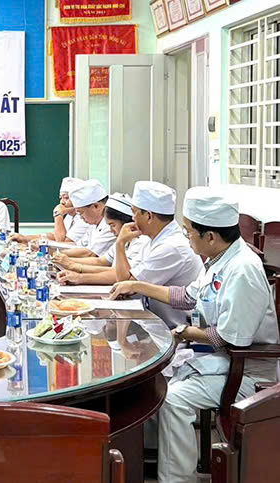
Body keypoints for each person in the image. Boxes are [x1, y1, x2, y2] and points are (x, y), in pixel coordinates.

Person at [110, 188, 279, 483]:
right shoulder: (219, 259)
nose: (186, 237)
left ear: (210, 236)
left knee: (173, 400)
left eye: (189, 232)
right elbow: (187, 297)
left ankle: (177, 478)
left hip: (245, 372)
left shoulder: (242, 270)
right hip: (218, 360)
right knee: (150, 383)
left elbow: (229, 339)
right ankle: (147, 460)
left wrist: (182, 333)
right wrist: (137, 286)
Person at [112, 181, 203, 328]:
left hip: (175, 329)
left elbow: (126, 284)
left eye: (134, 213)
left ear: (149, 216)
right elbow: (127, 280)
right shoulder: (153, 240)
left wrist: (120, 243)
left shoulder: (171, 247)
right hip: (153, 322)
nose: (132, 218)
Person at [55, 193, 149, 285]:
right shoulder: (122, 239)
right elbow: (102, 261)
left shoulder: (140, 242)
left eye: (113, 225)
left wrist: (77, 271)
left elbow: (120, 274)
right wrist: (70, 263)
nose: (111, 230)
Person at [11, 176, 92, 244]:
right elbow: (54, 236)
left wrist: (58, 215)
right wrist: (25, 238)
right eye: (61, 198)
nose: (62, 202)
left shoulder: (85, 218)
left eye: (66, 198)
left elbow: (61, 243)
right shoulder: (70, 216)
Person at [55, 179, 116, 258]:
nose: (80, 217)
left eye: (81, 212)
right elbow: (79, 246)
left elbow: (90, 253)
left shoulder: (111, 225)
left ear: (95, 206)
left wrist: (57, 253)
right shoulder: (93, 224)